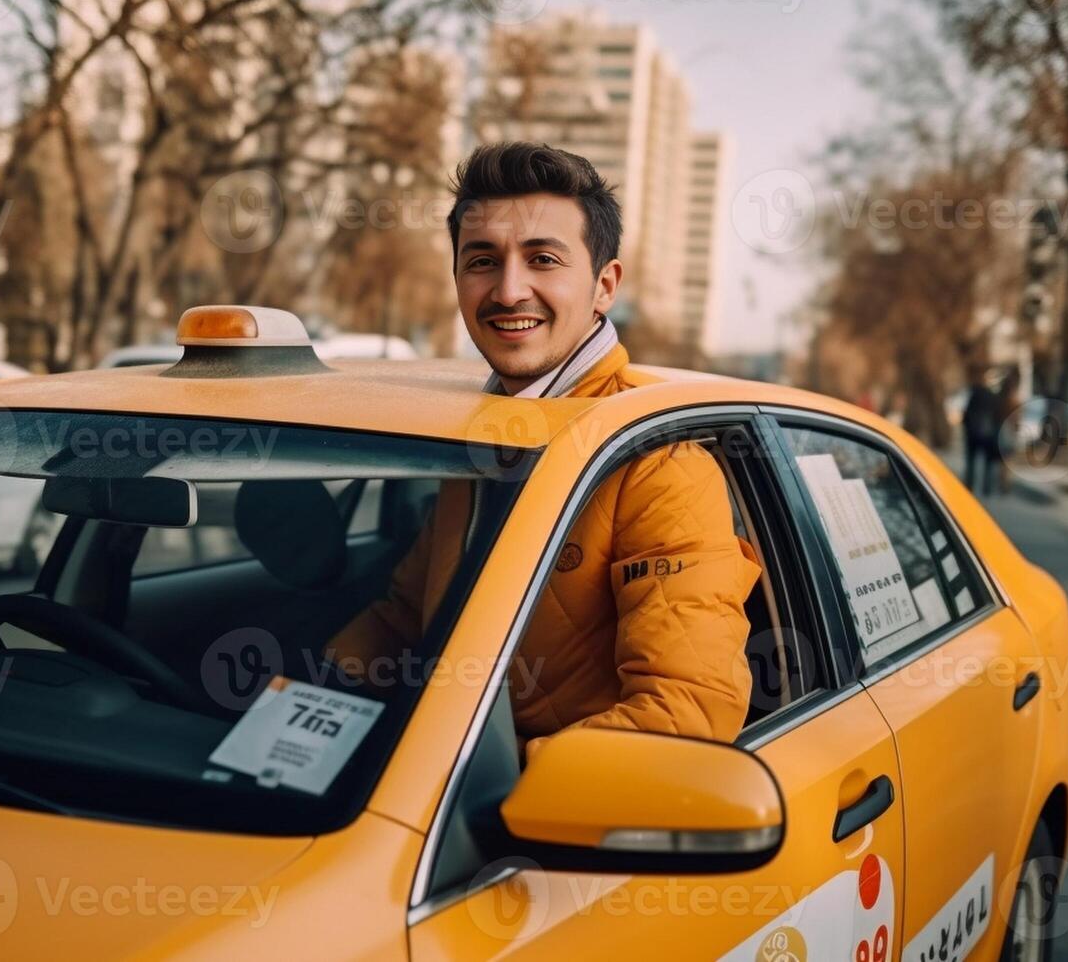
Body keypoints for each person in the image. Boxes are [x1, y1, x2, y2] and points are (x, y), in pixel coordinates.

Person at [323, 142, 762, 759]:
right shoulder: (478, 436)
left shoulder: (660, 467)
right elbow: (407, 620)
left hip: (532, 826)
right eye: (482, 260)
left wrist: (484, 779)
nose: (507, 291)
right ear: (456, 279)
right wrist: (305, 700)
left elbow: (686, 712)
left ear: (604, 285)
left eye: (542, 259)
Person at [962, 369, 1001, 496]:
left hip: (973, 433)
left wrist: (967, 428)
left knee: (971, 461)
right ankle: (987, 487)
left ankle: (969, 486)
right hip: (988, 434)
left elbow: (967, 413)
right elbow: (997, 417)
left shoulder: (975, 393)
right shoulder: (993, 397)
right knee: (988, 463)